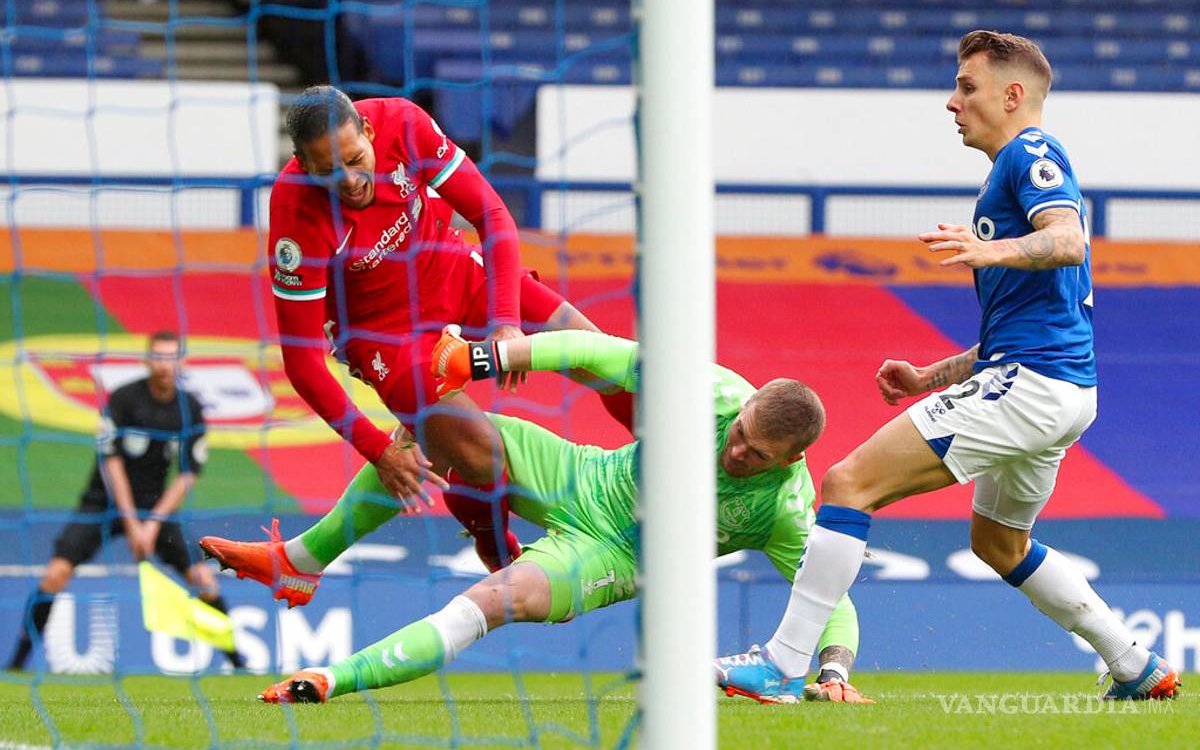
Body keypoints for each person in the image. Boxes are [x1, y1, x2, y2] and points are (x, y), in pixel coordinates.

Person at [716, 30, 1181, 702]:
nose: (952, 102)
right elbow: (1022, 329)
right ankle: (1134, 664)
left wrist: (992, 252)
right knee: (999, 544)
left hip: (1031, 389)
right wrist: (931, 377)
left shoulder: (1033, 153)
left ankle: (783, 663)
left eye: (967, 86)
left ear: (1012, 94)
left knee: (848, 483)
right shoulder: (1007, 175)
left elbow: (1069, 239)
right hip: (1059, 388)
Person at [249, 326, 869, 705]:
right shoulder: (718, 393)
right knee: (428, 431)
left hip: (614, 555)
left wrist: (834, 669)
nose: (736, 450)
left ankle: (330, 680)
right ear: (747, 406)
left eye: (755, 454)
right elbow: (597, 352)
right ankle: (301, 561)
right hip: (581, 473)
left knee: (491, 601)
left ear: (794, 458)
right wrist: (484, 358)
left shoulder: (787, 507)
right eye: (739, 433)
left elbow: (828, 595)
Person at [267, 85, 633, 579]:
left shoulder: (404, 123)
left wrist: (505, 323)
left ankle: (663, 471)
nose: (350, 179)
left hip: (455, 272)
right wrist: (378, 451)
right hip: (386, 338)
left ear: (370, 131)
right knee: (481, 452)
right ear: (303, 165)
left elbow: (492, 214)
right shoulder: (295, 214)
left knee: (597, 352)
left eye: (356, 159)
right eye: (328, 171)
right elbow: (302, 362)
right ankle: (495, 548)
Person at [7, 331, 243, 671]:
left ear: (182, 362)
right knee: (55, 574)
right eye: (158, 357)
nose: (164, 365)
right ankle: (16, 663)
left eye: (171, 357)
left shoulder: (188, 408)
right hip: (101, 505)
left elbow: (188, 473)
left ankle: (238, 662)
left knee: (204, 580)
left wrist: (153, 523)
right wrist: (134, 523)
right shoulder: (124, 399)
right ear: (147, 360)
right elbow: (112, 462)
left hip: (155, 511)